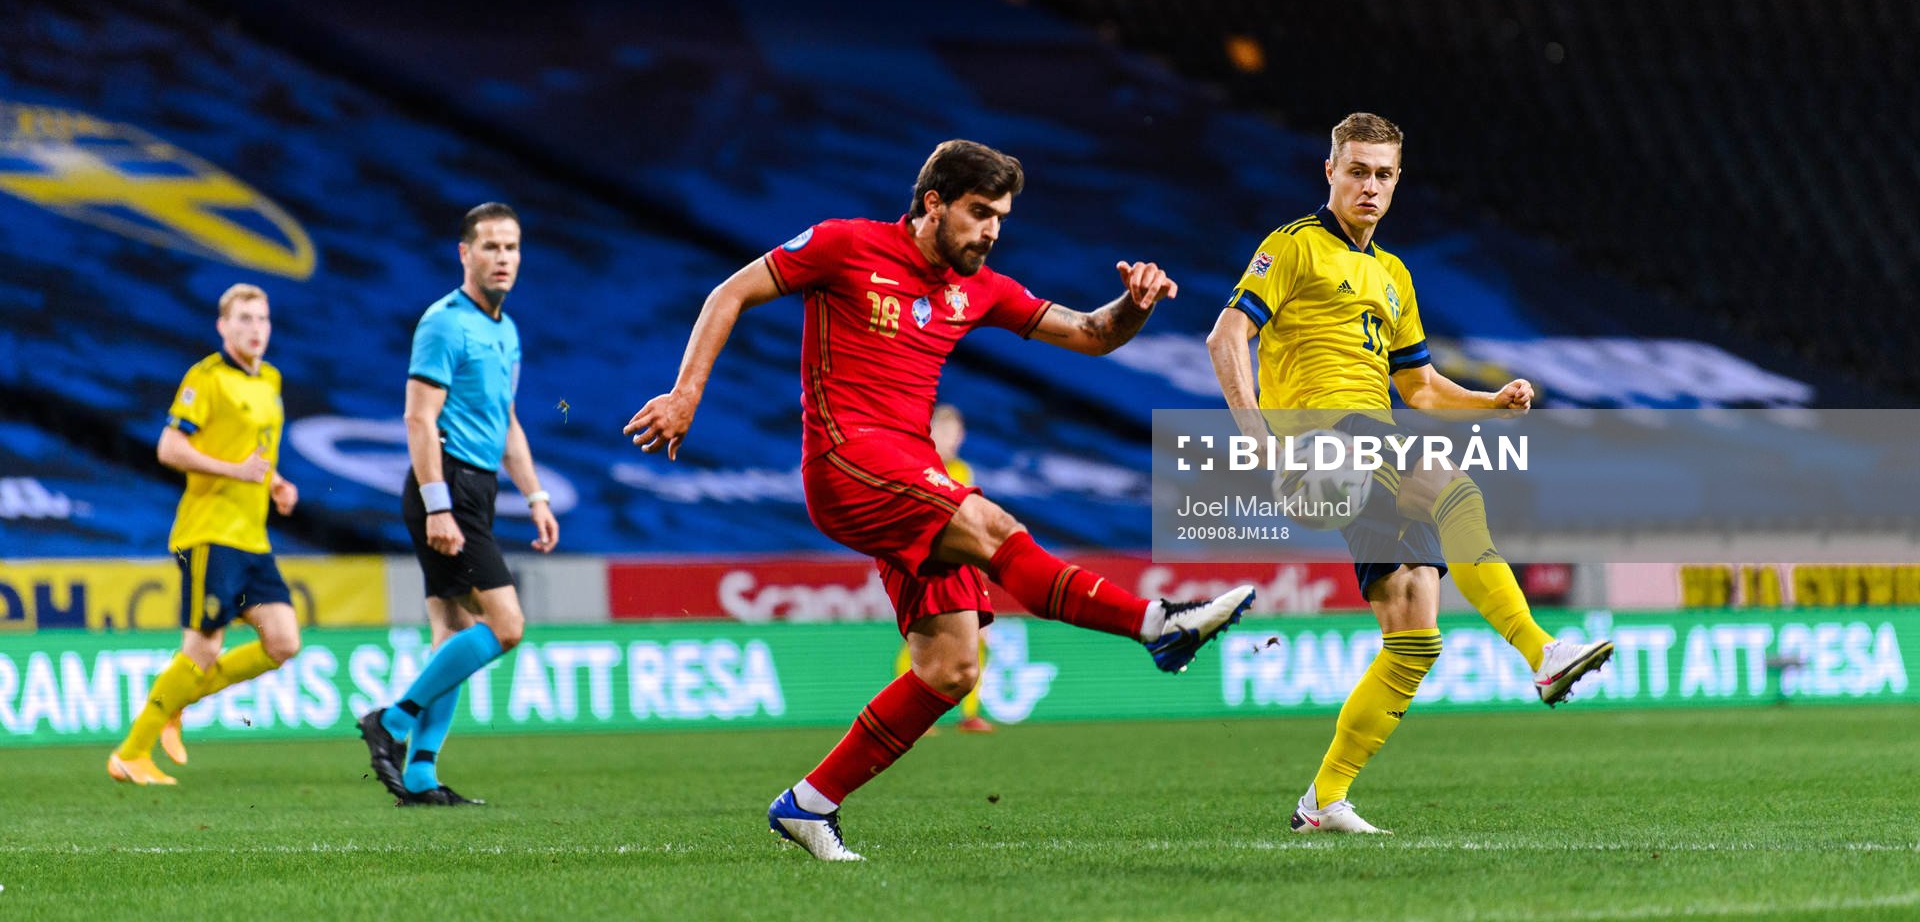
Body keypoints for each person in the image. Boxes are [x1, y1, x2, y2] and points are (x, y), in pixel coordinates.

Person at [626, 139, 1255, 862]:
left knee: (952, 667)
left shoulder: (979, 288)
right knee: (992, 523)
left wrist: (1135, 304)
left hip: (909, 475)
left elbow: (1090, 333)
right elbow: (728, 292)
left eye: (1001, 219)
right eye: (979, 213)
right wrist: (686, 394)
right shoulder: (844, 246)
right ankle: (1156, 623)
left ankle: (809, 804)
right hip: (845, 462)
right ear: (933, 204)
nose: (991, 231)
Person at [1206, 112, 1613, 835]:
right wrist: (1257, 436)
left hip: (1370, 441)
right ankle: (1541, 652)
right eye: (1356, 169)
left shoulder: (1393, 275)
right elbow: (1227, 334)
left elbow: (1419, 387)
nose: (1368, 185)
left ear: (1398, 181)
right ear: (1329, 172)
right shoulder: (1293, 247)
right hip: (1321, 445)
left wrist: (1490, 401)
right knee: (1451, 486)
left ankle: (1322, 801)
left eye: (1382, 173)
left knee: (1414, 633)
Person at [358, 202, 560, 807]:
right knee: (507, 626)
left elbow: (508, 423)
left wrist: (536, 494)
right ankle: (391, 722)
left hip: (478, 489)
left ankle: (419, 775)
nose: (503, 258)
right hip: (443, 487)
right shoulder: (445, 323)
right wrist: (439, 505)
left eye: (512, 247)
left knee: (452, 630)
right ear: (464, 253)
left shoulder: (506, 330)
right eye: (491, 247)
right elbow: (418, 419)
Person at [108, 283, 300, 785]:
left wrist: (275, 481)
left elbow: (255, 452)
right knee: (203, 649)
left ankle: (179, 696)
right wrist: (234, 472)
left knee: (282, 641)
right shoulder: (206, 378)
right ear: (223, 326)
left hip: (253, 537)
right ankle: (132, 752)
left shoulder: (272, 380)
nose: (255, 329)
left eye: (262, 319)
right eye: (244, 319)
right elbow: (169, 448)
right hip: (210, 532)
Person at [895, 404, 993, 733]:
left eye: (957, 433)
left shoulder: (963, 472)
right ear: (932, 433)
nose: (953, 439)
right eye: (946, 432)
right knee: (919, 639)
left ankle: (970, 714)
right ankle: (910, 715)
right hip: (924, 563)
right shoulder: (918, 466)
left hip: (959, 561)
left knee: (980, 636)